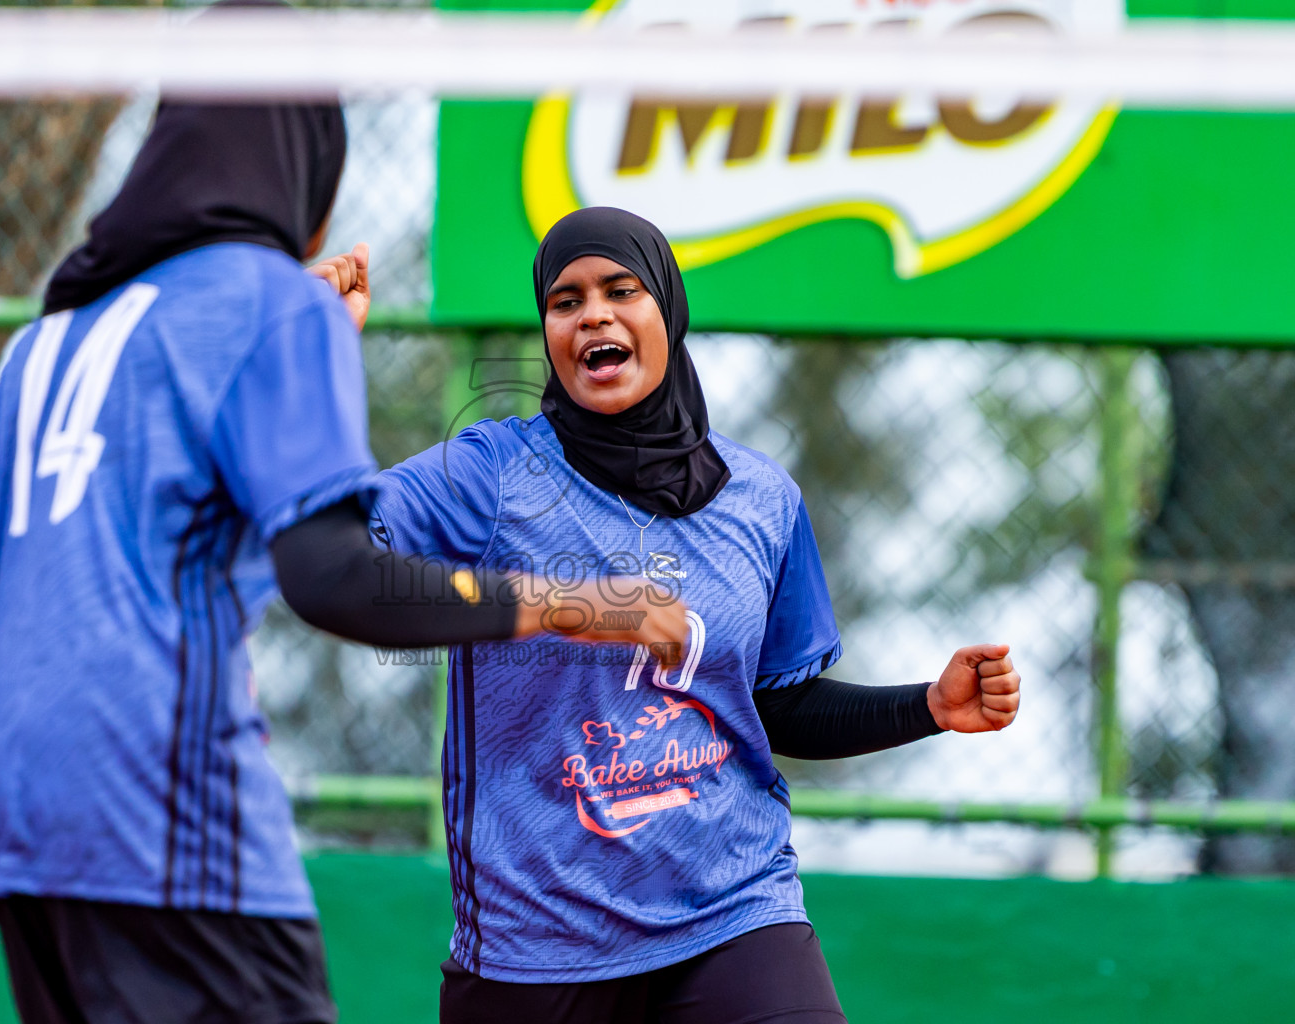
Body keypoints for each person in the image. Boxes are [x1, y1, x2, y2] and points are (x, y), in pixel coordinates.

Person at [0, 90, 684, 1024]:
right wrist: (586, 603)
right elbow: (335, 579)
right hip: (162, 812)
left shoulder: (45, 344)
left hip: (20, 829)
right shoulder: (271, 310)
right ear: (300, 171)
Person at [371, 207, 1023, 1024]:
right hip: (539, 941)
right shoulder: (493, 474)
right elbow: (337, 542)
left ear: (667, 311)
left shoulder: (761, 501)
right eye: (566, 301)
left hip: (733, 910)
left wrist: (925, 705)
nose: (594, 315)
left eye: (621, 289)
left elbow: (774, 703)